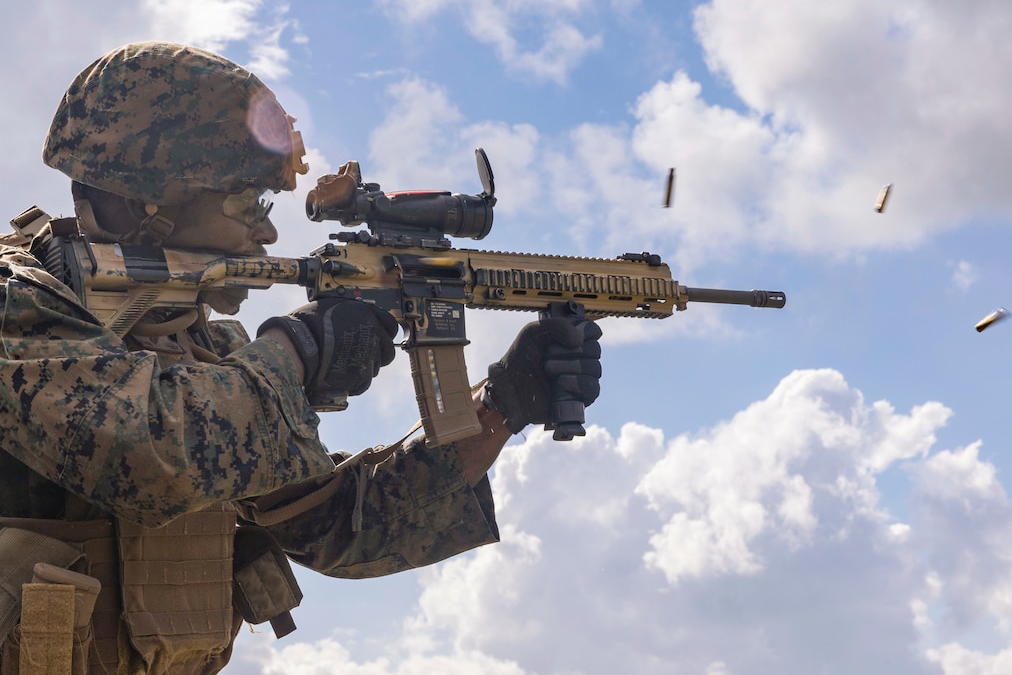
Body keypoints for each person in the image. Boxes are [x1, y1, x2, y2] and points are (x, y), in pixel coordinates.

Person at [0, 41, 603, 675]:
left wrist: (503, 405)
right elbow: (151, 453)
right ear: (143, 207)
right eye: (248, 205)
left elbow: (347, 526)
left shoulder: (209, 357)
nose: (266, 234)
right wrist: (299, 350)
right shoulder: (16, 305)